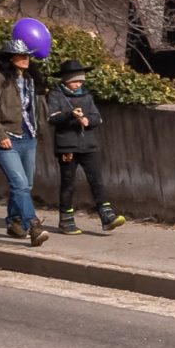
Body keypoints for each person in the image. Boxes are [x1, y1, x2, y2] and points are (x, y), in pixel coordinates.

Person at [0, 32, 48, 245]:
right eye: (21, 55)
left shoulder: (29, 79)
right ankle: (33, 225)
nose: (26, 59)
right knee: (19, 183)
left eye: (27, 55)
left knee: (25, 185)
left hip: (28, 137)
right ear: (9, 58)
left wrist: (39, 130)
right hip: (6, 137)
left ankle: (14, 222)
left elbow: (36, 108)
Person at [46, 60, 123, 234]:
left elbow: (97, 117)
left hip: (89, 145)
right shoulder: (56, 95)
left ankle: (107, 216)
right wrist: (70, 115)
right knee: (68, 182)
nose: (78, 84)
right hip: (67, 146)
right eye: (75, 81)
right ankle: (66, 220)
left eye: (81, 81)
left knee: (96, 180)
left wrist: (88, 120)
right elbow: (52, 118)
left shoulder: (87, 96)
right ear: (66, 80)